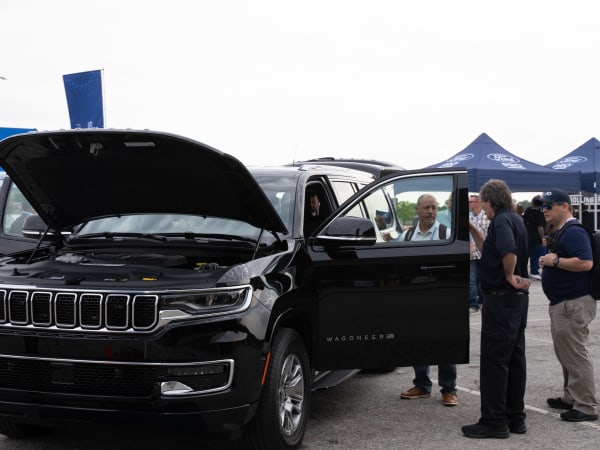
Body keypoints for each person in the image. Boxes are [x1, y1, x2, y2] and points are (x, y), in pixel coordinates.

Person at [462, 179, 530, 439]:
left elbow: (508, 251)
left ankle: (493, 422)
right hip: (515, 301)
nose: (483, 208)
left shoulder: (501, 221)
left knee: (494, 361)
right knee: (514, 359)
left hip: (501, 299)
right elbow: (488, 248)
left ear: (489, 201)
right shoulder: (514, 220)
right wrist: (469, 226)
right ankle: (516, 417)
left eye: (483, 203)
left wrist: (510, 274)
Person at [538, 189, 598, 422]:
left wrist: (556, 261)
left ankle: (586, 406)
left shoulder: (573, 231)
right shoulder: (563, 230)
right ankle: (570, 397)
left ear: (565, 206)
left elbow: (585, 263)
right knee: (566, 353)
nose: (545, 210)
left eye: (549, 206)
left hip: (573, 303)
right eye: (543, 206)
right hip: (565, 302)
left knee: (575, 355)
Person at [400, 193, 457, 406]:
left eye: (434, 207)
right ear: (417, 210)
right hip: (416, 298)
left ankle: (449, 390)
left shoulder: (446, 233)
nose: (431, 211)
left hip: (440, 297)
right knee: (418, 342)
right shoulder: (406, 237)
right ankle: (422, 386)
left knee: (445, 343)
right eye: (426, 207)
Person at [469, 194, 490, 313]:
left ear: (478, 202)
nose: (470, 203)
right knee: (471, 280)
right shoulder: (468, 216)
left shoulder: (486, 216)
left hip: (484, 253)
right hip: (472, 253)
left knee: (483, 279)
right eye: (469, 201)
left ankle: (483, 301)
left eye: (472, 201)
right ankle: (473, 304)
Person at [523, 195, 547, 280]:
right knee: (539, 253)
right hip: (536, 237)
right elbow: (540, 227)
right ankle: (534, 271)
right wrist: (543, 238)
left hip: (526, 236)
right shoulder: (540, 212)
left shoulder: (528, 210)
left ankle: (524, 272)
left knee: (528, 255)